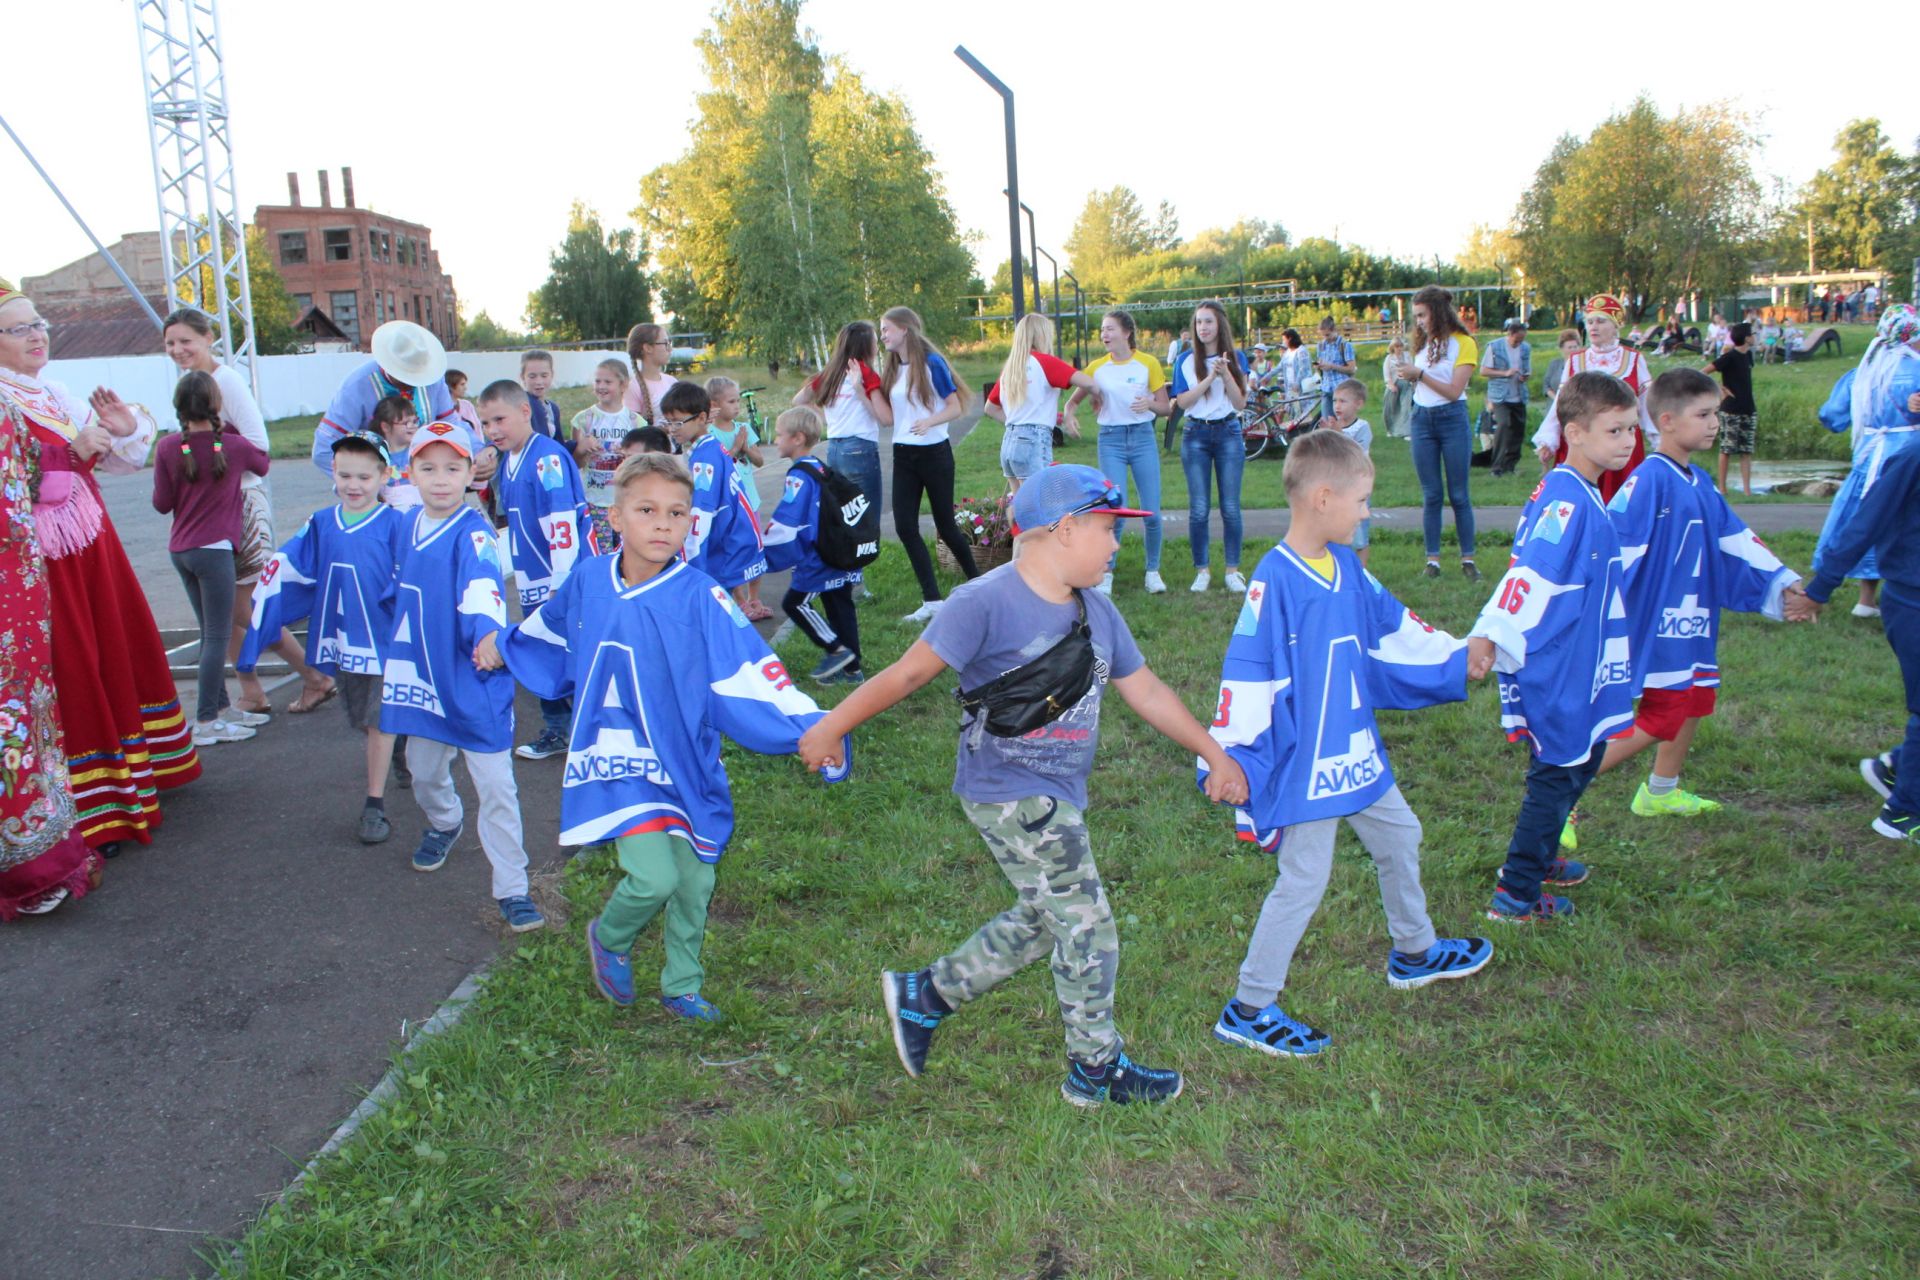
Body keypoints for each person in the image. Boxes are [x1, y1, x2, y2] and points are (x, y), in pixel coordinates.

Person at [796, 465, 1251, 1107]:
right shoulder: (982, 602)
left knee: (1049, 918)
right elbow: (905, 675)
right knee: (1088, 926)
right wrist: (830, 726)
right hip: (1008, 787)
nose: (1117, 544)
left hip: (1056, 790)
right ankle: (1096, 1069)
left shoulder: (1098, 609)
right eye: (1107, 529)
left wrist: (1213, 752)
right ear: (1064, 530)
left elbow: (1144, 689)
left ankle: (926, 996)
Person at [480, 451, 844, 1019]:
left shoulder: (702, 596)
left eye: (677, 513)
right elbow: (547, 628)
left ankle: (682, 984)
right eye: (647, 510)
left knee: (695, 881)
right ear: (615, 517)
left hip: (683, 760)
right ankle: (611, 937)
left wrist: (820, 729)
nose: (662, 524)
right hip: (616, 758)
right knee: (653, 877)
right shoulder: (588, 580)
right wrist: (502, 646)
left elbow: (751, 671)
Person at [1205, 430, 1492, 1058]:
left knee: (1400, 835)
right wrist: (1230, 756)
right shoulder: (1275, 581)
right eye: (1362, 501)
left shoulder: (1347, 571)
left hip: (1356, 751)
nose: (1367, 514)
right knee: (1304, 879)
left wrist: (1453, 654)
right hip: (1310, 765)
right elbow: (1247, 670)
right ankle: (1250, 1005)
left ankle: (1414, 951)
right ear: (1323, 498)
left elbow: (1396, 628)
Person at [0, 279, 199, 852]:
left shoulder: (52, 392)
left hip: (89, 544)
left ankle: (136, 775)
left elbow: (120, 462)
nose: (38, 336)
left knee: (112, 649)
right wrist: (74, 453)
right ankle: (88, 806)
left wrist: (121, 431)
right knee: (71, 669)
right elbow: (17, 485)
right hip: (38, 564)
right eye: (21, 329)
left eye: (40, 324)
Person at [1465, 373, 1642, 922]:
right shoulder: (1568, 500)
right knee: (1558, 772)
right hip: (1557, 667)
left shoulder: (1581, 488)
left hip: (1578, 660)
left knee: (1582, 760)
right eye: (1614, 430)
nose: (1627, 441)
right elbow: (1531, 576)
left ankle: (1538, 859)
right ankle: (1516, 892)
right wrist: (1490, 632)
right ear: (1574, 432)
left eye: (1633, 429)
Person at [1588, 368, 1802, 820]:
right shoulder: (1650, 479)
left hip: (1695, 616)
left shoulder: (1699, 482)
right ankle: (1560, 799)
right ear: (1666, 421)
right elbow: (1615, 548)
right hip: (1660, 622)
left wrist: (1784, 581)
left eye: (1716, 415)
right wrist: (1594, 611)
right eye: (1703, 414)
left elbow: (1736, 540)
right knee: (1661, 715)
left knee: (1697, 698)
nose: (1714, 424)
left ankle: (1661, 791)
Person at [379, 421, 542, 932]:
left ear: (472, 473)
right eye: (428, 468)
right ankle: (445, 822)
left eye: (453, 468)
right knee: (423, 771)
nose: (441, 479)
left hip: (473, 678)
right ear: (410, 474)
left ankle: (513, 887)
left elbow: (482, 591)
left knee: (496, 787)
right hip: (425, 679)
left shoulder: (474, 532)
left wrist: (488, 638)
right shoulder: (404, 524)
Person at [156, 308, 335, 717]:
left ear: (208, 338)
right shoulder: (193, 383)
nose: (178, 349)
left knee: (242, 608)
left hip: (240, 508)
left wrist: (209, 452)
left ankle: (313, 676)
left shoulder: (227, 381)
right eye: (170, 343)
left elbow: (259, 447)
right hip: (207, 511)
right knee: (220, 609)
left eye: (186, 340)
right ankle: (251, 689)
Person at [242, 433, 410, 844]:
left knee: (376, 720)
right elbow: (292, 566)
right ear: (333, 473)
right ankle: (402, 743)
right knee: (360, 717)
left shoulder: (396, 524)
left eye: (364, 477)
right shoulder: (321, 523)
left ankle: (374, 804)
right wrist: (267, 599)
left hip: (384, 641)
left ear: (383, 476)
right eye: (345, 475)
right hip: (344, 636)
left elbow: (415, 578)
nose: (354, 485)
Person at [1791, 394, 1920, 845]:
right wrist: (1820, 587)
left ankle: (1897, 767)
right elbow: (1864, 524)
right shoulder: (1911, 457)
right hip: (1912, 599)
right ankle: (1903, 814)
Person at [0, 398, 100, 918]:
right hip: (15, 587)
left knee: (17, 720)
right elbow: (46, 480)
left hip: (13, 595)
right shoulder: (7, 408)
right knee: (17, 719)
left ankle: (32, 864)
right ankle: (33, 865)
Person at [152, 370, 273, 746]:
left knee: (209, 633)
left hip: (182, 550)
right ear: (216, 404)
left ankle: (220, 710)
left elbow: (161, 503)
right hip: (216, 551)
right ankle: (206, 721)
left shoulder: (169, 447)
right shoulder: (232, 447)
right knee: (218, 637)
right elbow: (263, 463)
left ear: (178, 407)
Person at [476, 380, 592, 765]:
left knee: (570, 655)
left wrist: (560, 583)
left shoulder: (547, 458)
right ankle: (562, 729)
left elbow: (562, 524)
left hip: (559, 580)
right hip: (532, 578)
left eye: (499, 419)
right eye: (485, 422)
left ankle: (584, 729)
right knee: (545, 655)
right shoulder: (510, 460)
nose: (493, 430)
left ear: (525, 412)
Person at [1812, 304, 1920, 621]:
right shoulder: (1915, 371)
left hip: (1869, 453)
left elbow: (1832, 417)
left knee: (1861, 518)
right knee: (1900, 522)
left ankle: (1865, 598)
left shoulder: (1862, 374)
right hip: (1907, 456)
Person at [879, 307, 979, 624]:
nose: (883, 335)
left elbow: (954, 406)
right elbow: (889, 416)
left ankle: (979, 586)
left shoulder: (932, 363)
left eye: (886, 329)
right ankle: (932, 600)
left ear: (905, 330)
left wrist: (929, 421)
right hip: (903, 455)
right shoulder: (892, 368)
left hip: (934, 453)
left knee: (946, 527)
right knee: (905, 527)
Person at [1067, 309, 1169, 595]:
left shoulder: (1147, 363)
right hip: (1110, 440)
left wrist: (1149, 404)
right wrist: (1069, 413)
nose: (1104, 334)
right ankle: (1107, 571)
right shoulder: (1097, 367)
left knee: (1152, 511)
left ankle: (1153, 571)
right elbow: (1074, 400)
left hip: (1142, 438)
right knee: (1115, 508)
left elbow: (1166, 407)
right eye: (1102, 329)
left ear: (1127, 332)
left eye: (1110, 329)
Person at [764, 406, 863, 684]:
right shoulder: (820, 466)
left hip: (818, 557)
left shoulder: (798, 475)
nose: (775, 440)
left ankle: (836, 649)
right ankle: (853, 670)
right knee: (840, 605)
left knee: (795, 604)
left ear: (796, 438)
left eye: (779, 434)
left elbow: (788, 519)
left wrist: (763, 546)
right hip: (839, 553)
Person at [1391, 285, 1481, 581]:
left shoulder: (1463, 342)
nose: (1418, 321)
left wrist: (1421, 376)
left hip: (1452, 418)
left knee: (1459, 493)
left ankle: (1468, 558)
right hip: (1422, 418)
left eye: (1421, 315)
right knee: (1431, 494)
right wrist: (1409, 376)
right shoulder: (1421, 344)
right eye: (1415, 316)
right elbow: (1422, 383)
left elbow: (1455, 391)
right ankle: (1433, 561)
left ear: (1437, 313)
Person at [1531, 293, 1655, 503]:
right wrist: (1549, 439)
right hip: (1584, 444)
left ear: (1616, 326)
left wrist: (1659, 442)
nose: (1593, 327)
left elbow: (1647, 405)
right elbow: (1561, 404)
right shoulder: (1576, 360)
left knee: (1622, 506)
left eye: (1601, 321)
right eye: (1589, 321)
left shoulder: (1633, 359)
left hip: (1621, 445)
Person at [656, 381, 768, 604]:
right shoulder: (710, 448)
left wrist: (690, 568)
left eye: (678, 422)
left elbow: (700, 515)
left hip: (721, 552)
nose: (671, 429)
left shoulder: (705, 460)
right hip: (728, 547)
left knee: (715, 619)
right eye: (668, 423)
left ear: (700, 418)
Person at [1172, 300, 1251, 593]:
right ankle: (1201, 570)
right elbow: (1182, 402)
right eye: (1199, 322)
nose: (1202, 328)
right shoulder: (1185, 360)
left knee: (1230, 507)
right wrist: (1208, 378)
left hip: (1229, 433)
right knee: (1199, 509)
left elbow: (1241, 402)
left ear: (1219, 326)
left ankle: (1233, 570)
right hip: (1196, 435)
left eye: (1208, 322)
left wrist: (1227, 373)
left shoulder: (1238, 357)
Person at [310, 320, 461, 472]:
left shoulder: (433, 380)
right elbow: (324, 449)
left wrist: (478, 454)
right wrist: (366, 482)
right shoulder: (356, 386)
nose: (412, 383)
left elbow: (453, 428)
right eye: (407, 376)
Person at [983, 313, 1094, 496]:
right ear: (1043, 335)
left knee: (1020, 505)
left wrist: (1018, 421)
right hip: (1033, 439)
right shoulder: (1045, 362)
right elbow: (1089, 383)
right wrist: (1075, 409)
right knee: (1038, 503)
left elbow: (990, 408)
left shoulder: (1011, 368)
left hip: (1010, 439)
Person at [794, 321, 892, 522]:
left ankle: (846, 554)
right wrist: (859, 391)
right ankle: (866, 554)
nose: (878, 344)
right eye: (875, 340)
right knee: (867, 519)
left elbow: (798, 401)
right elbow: (885, 419)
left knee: (845, 517)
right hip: (860, 448)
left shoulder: (830, 375)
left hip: (835, 450)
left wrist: (827, 419)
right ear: (865, 346)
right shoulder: (866, 374)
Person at [706, 375, 771, 620]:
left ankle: (755, 597)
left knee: (755, 547)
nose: (736, 406)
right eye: (731, 401)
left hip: (750, 501)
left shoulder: (743, 428)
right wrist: (734, 448)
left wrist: (745, 447)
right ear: (714, 405)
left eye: (737, 401)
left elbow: (760, 460)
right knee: (731, 551)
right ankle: (740, 599)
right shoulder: (710, 433)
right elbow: (720, 464)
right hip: (728, 504)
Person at [572, 358, 641, 553]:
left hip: (626, 499)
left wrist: (630, 456)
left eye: (607, 382)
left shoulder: (636, 421)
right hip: (595, 500)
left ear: (623, 385)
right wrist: (582, 448)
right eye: (597, 381)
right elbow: (575, 462)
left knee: (628, 551)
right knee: (600, 553)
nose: (601, 386)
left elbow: (644, 464)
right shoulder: (583, 420)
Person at [1322, 380, 1374, 566]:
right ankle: (1339, 571)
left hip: (1356, 491)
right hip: (1336, 490)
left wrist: (1338, 435)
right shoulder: (1332, 425)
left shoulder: (1362, 427)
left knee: (1360, 538)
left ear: (1358, 404)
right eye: (1335, 400)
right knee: (1335, 536)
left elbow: (1357, 456)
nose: (1337, 406)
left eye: (1343, 401)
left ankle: (1361, 574)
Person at [1708, 322, 1758, 496]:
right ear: (1746, 338)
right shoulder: (1729, 357)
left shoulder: (1748, 356)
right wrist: (1719, 387)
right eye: (1752, 334)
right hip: (1730, 409)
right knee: (1727, 449)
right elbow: (1703, 372)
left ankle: (1747, 491)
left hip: (1748, 408)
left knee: (1746, 450)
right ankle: (1722, 488)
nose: (1754, 336)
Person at [1481, 318, 1532, 476]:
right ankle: (1496, 466)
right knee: (1504, 425)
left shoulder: (1525, 348)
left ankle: (1510, 465)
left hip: (1518, 394)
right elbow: (1484, 371)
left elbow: (1526, 368)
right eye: (1516, 340)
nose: (1519, 343)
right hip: (1499, 396)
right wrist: (1505, 373)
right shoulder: (1494, 347)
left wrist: (1525, 376)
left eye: (1522, 340)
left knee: (1518, 429)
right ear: (1510, 334)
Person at [622, 323, 681, 426]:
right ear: (648, 348)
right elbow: (633, 432)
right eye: (665, 343)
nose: (670, 349)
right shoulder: (632, 387)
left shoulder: (672, 382)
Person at [1312, 316, 1356, 417]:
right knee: (1327, 423)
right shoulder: (1321, 346)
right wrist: (1319, 366)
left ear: (1334, 330)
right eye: (1323, 335)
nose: (1325, 338)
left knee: (1342, 421)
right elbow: (1321, 362)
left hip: (1341, 388)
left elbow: (1351, 368)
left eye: (1327, 335)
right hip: (1326, 388)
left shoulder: (1344, 345)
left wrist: (1332, 366)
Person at [520, 350, 562, 440]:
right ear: (522, 377)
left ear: (552, 375)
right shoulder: (519, 405)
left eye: (544, 376)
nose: (539, 382)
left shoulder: (553, 408)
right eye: (532, 376)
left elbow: (558, 443)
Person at [1162, 327, 1191, 451]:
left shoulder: (1191, 346)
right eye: (1184, 335)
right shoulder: (1176, 345)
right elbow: (1170, 359)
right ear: (1181, 335)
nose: (1186, 337)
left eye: (1187, 335)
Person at [1380, 336, 1414, 440]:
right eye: (1397, 346)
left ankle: (1406, 432)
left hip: (1406, 384)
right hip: (1393, 385)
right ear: (1393, 347)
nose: (1399, 348)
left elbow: (1412, 369)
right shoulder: (1389, 358)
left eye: (1400, 346)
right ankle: (1390, 430)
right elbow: (1386, 374)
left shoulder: (1408, 356)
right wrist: (1391, 385)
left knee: (1405, 407)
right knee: (1391, 408)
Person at [1542, 329, 1580, 406]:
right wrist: (1556, 399)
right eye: (1570, 347)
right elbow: (1546, 385)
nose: (1573, 350)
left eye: (1575, 347)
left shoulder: (1582, 365)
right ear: (1562, 349)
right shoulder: (1554, 364)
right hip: (1554, 405)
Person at [445, 368, 481, 439]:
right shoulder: (443, 409)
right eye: (462, 384)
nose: (465, 388)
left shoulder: (467, 405)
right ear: (451, 386)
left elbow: (477, 429)